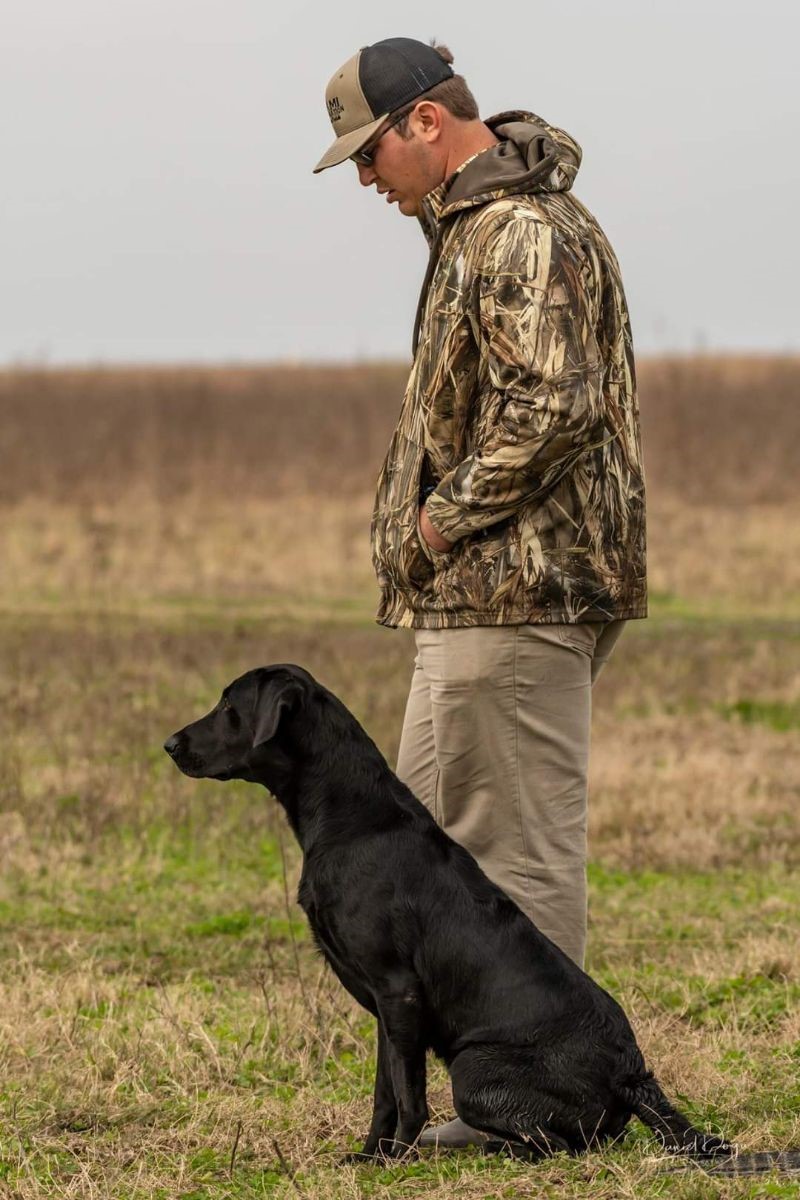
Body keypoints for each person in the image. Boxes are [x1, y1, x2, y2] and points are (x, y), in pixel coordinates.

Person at [314, 37, 646, 1147]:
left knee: (507, 851)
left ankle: (544, 1108)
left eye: (368, 152)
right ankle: (489, 1094)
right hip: (489, 593)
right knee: (448, 846)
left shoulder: (515, 231)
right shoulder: (480, 225)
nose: (364, 178)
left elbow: (554, 406)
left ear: (422, 121)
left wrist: (435, 518)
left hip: (513, 586)